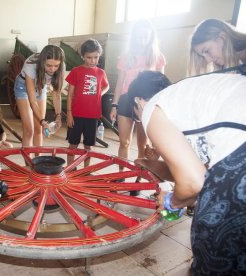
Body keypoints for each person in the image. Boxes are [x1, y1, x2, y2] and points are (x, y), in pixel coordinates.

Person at [127, 70, 246, 275]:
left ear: (139, 101)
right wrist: (151, 165)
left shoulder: (152, 107)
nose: (141, 120)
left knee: (213, 257)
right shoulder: (190, 104)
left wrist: (171, 202)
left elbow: (193, 183)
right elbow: (202, 172)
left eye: (135, 114)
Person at [109, 19, 166, 176]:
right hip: (127, 100)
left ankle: (139, 178)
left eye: (145, 37)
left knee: (143, 145)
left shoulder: (157, 56)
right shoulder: (126, 56)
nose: (142, 41)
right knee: (124, 142)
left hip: (146, 103)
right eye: (139, 37)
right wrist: (114, 105)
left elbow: (161, 85)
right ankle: (121, 175)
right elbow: (120, 82)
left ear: (151, 37)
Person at [65, 39, 109, 167]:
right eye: (89, 57)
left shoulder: (101, 73)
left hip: (93, 116)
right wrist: (69, 114)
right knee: (73, 143)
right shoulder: (76, 71)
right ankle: (70, 168)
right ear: (82, 56)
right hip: (76, 115)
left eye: (96, 57)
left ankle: (86, 170)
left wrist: (100, 93)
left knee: (88, 145)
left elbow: (106, 86)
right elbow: (70, 94)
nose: (93, 61)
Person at [14, 45, 64, 148]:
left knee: (39, 129)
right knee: (29, 130)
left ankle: (38, 162)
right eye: (49, 65)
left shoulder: (61, 65)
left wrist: (58, 116)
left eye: (56, 66)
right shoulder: (31, 64)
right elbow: (33, 101)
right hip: (23, 87)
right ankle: (29, 163)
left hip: (41, 86)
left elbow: (56, 93)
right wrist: (43, 120)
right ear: (42, 62)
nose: (53, 69)